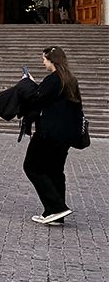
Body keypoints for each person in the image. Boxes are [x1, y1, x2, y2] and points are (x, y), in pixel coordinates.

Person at [22, 46, 83, 225]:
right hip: (66, 135)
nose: (43, 62)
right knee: (55, 171)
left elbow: (37, 98)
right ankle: (55, 214)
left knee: (32, 167)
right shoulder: (71, 80)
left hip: (48, 133)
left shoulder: (53, 79)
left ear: (52, 60)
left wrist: (29, 83)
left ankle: (57, 207)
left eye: (44, 59)